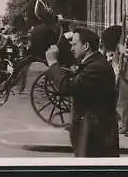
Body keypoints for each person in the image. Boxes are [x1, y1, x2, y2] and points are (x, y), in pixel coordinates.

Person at [44, 26, 119, 157]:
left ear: (85, 46)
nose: (71, 48)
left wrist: (53, 63)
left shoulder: (96, 68)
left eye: (74, 44)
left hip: (94, 136)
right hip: (92, 133)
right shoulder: (94, 63)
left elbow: (67, 87)